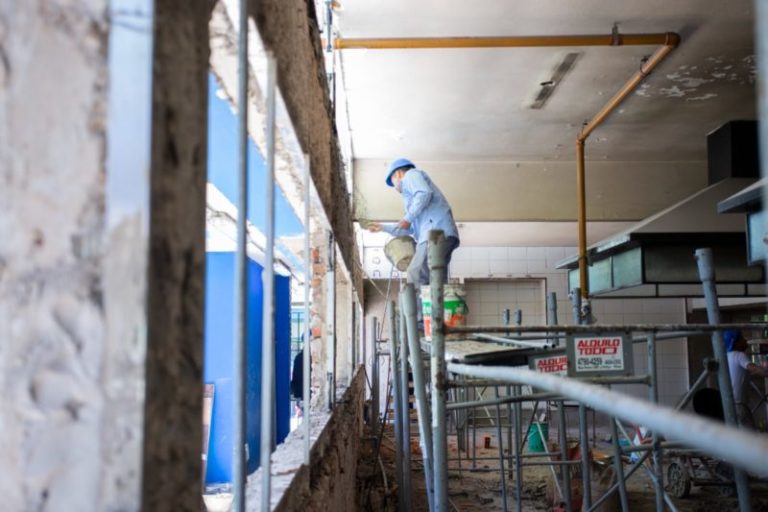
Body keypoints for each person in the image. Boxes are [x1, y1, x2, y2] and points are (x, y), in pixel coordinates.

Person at [368, 158, 460, 285]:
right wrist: (382, 227)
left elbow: (424, 193)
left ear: (398, 173)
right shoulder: (413, 203)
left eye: (393, 182)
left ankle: (419, 305)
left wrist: (407, 218)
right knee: (436, 280)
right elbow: (409, 229)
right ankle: (435, 304)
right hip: (443, 234)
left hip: (433, 233)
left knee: (415, 273)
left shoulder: (411, 175)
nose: (395, 188)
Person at [723, 329, 768, 427]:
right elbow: (754, 369)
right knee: (748, 435)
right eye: (742, 338)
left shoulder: (727, 356)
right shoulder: (739, 355)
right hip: (739, 405)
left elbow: (744, 373)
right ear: (735, 342)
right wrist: (764, 371)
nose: (745, 340)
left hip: (728, 404)